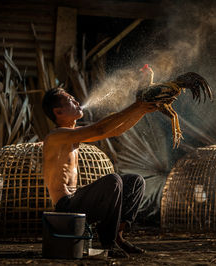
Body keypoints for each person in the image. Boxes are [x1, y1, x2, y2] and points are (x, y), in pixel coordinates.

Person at [41, 87, 158, 258]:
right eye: (71, 101)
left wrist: (141, 110)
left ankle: (118, 236)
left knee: (135, 181)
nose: (77, 102)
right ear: (58, 112)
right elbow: (99, 130)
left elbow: (115, 130)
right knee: (113, 180)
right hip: (66, 207)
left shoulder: (73, 135)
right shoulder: (55, 136)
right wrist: (136, 105)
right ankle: (108, 243)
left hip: (79, 201)